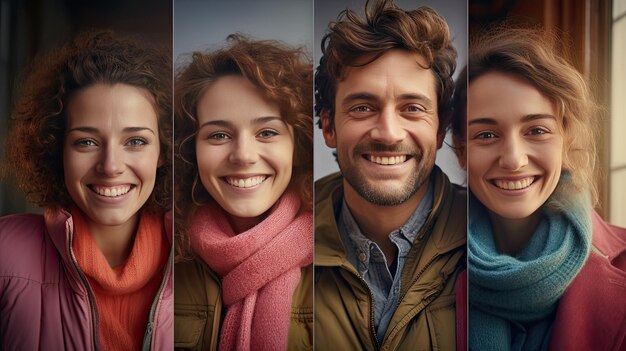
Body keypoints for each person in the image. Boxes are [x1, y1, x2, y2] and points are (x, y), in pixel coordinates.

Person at [453, 26, 626, 350]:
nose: (514, 160)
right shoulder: (421, 269)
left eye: (536, 130)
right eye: (486, 135)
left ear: (566, 139)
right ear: (461, 151)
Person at [0, 31, 173, 350]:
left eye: (135, 141)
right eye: (86, 142)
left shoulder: (197, 262)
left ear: (164, 151)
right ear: (56, 150)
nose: (110, 166)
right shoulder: (4, 254)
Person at [314, 0, 466, 349]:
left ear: (440, 128)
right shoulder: (289, 232)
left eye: (412, 108)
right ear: (328, 126)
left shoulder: (484, 232)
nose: (388, 133)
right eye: (363, 107)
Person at [173, 35, 313, 351]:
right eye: (219, 135)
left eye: (267, 132)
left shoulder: (337, 255)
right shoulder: (166, 256)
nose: (243, 156)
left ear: (297, 144)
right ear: (189, 149)